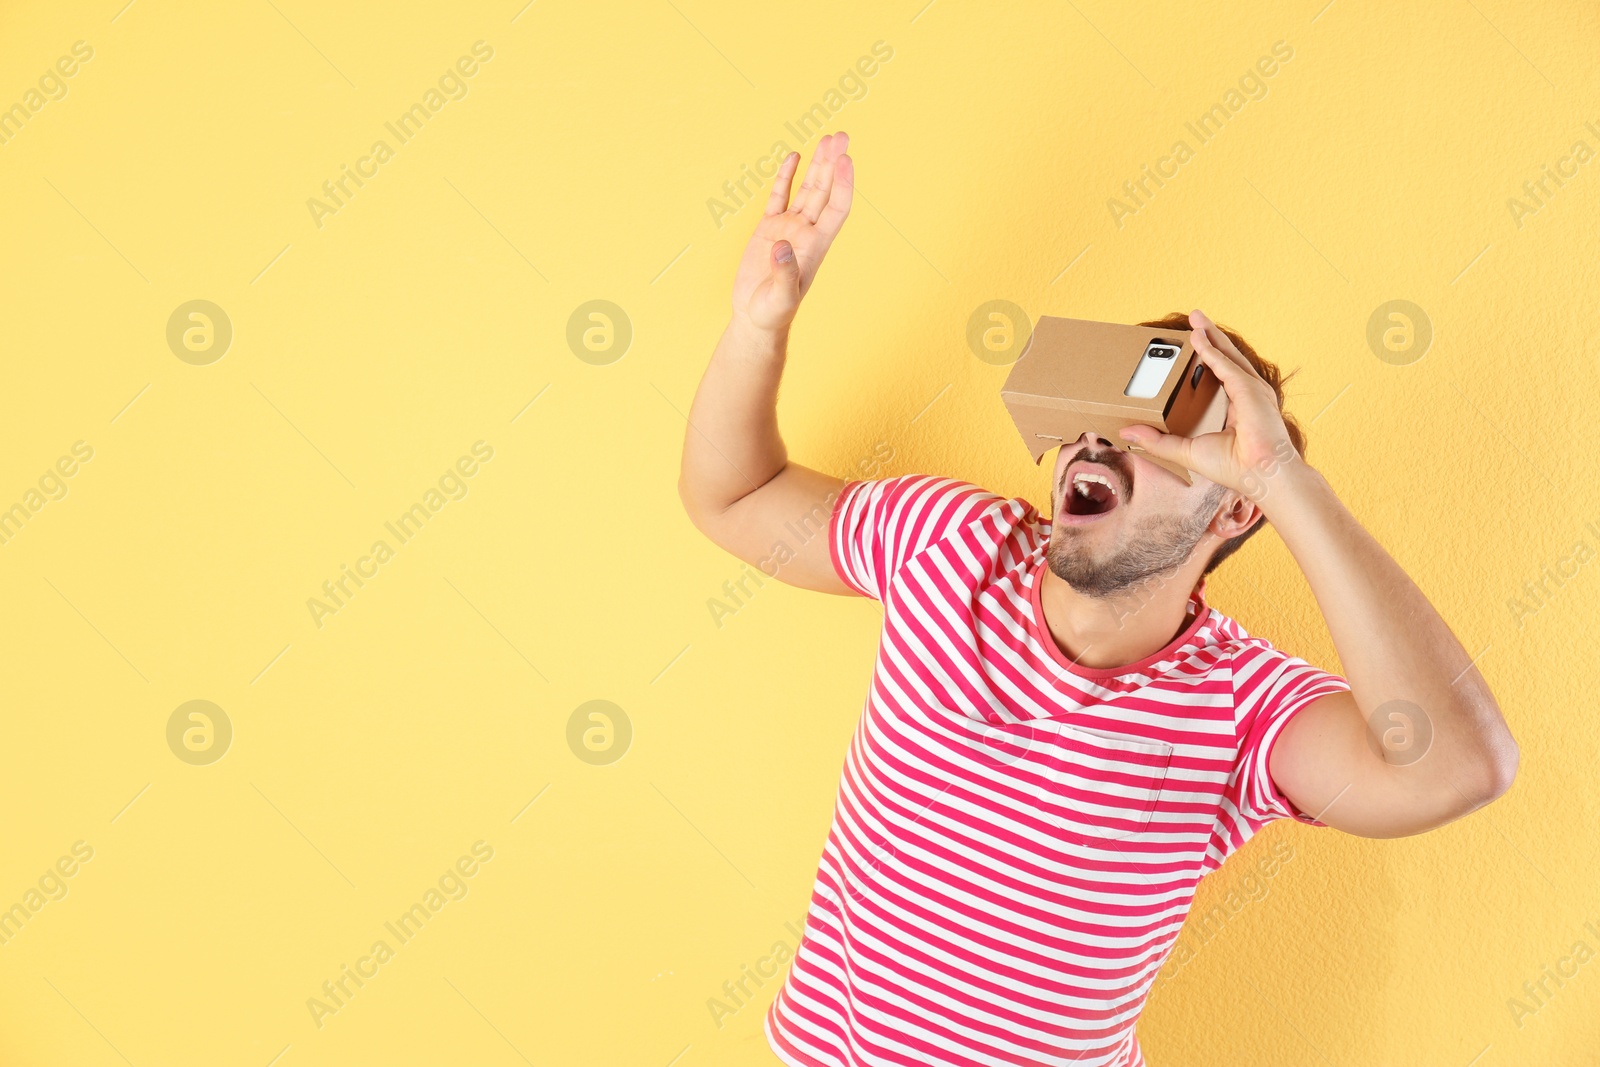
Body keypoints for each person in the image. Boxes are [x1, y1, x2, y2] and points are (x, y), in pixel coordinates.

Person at [676, 131, 1519, 1067]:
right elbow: (737, 497)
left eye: (1163, 439)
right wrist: (759, 326)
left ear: (1235, 510)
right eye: (1090, 418)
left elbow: (1459, 769)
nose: (1098, 445)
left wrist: (1287, 480)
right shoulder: (948, 547)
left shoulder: (1239, 710)